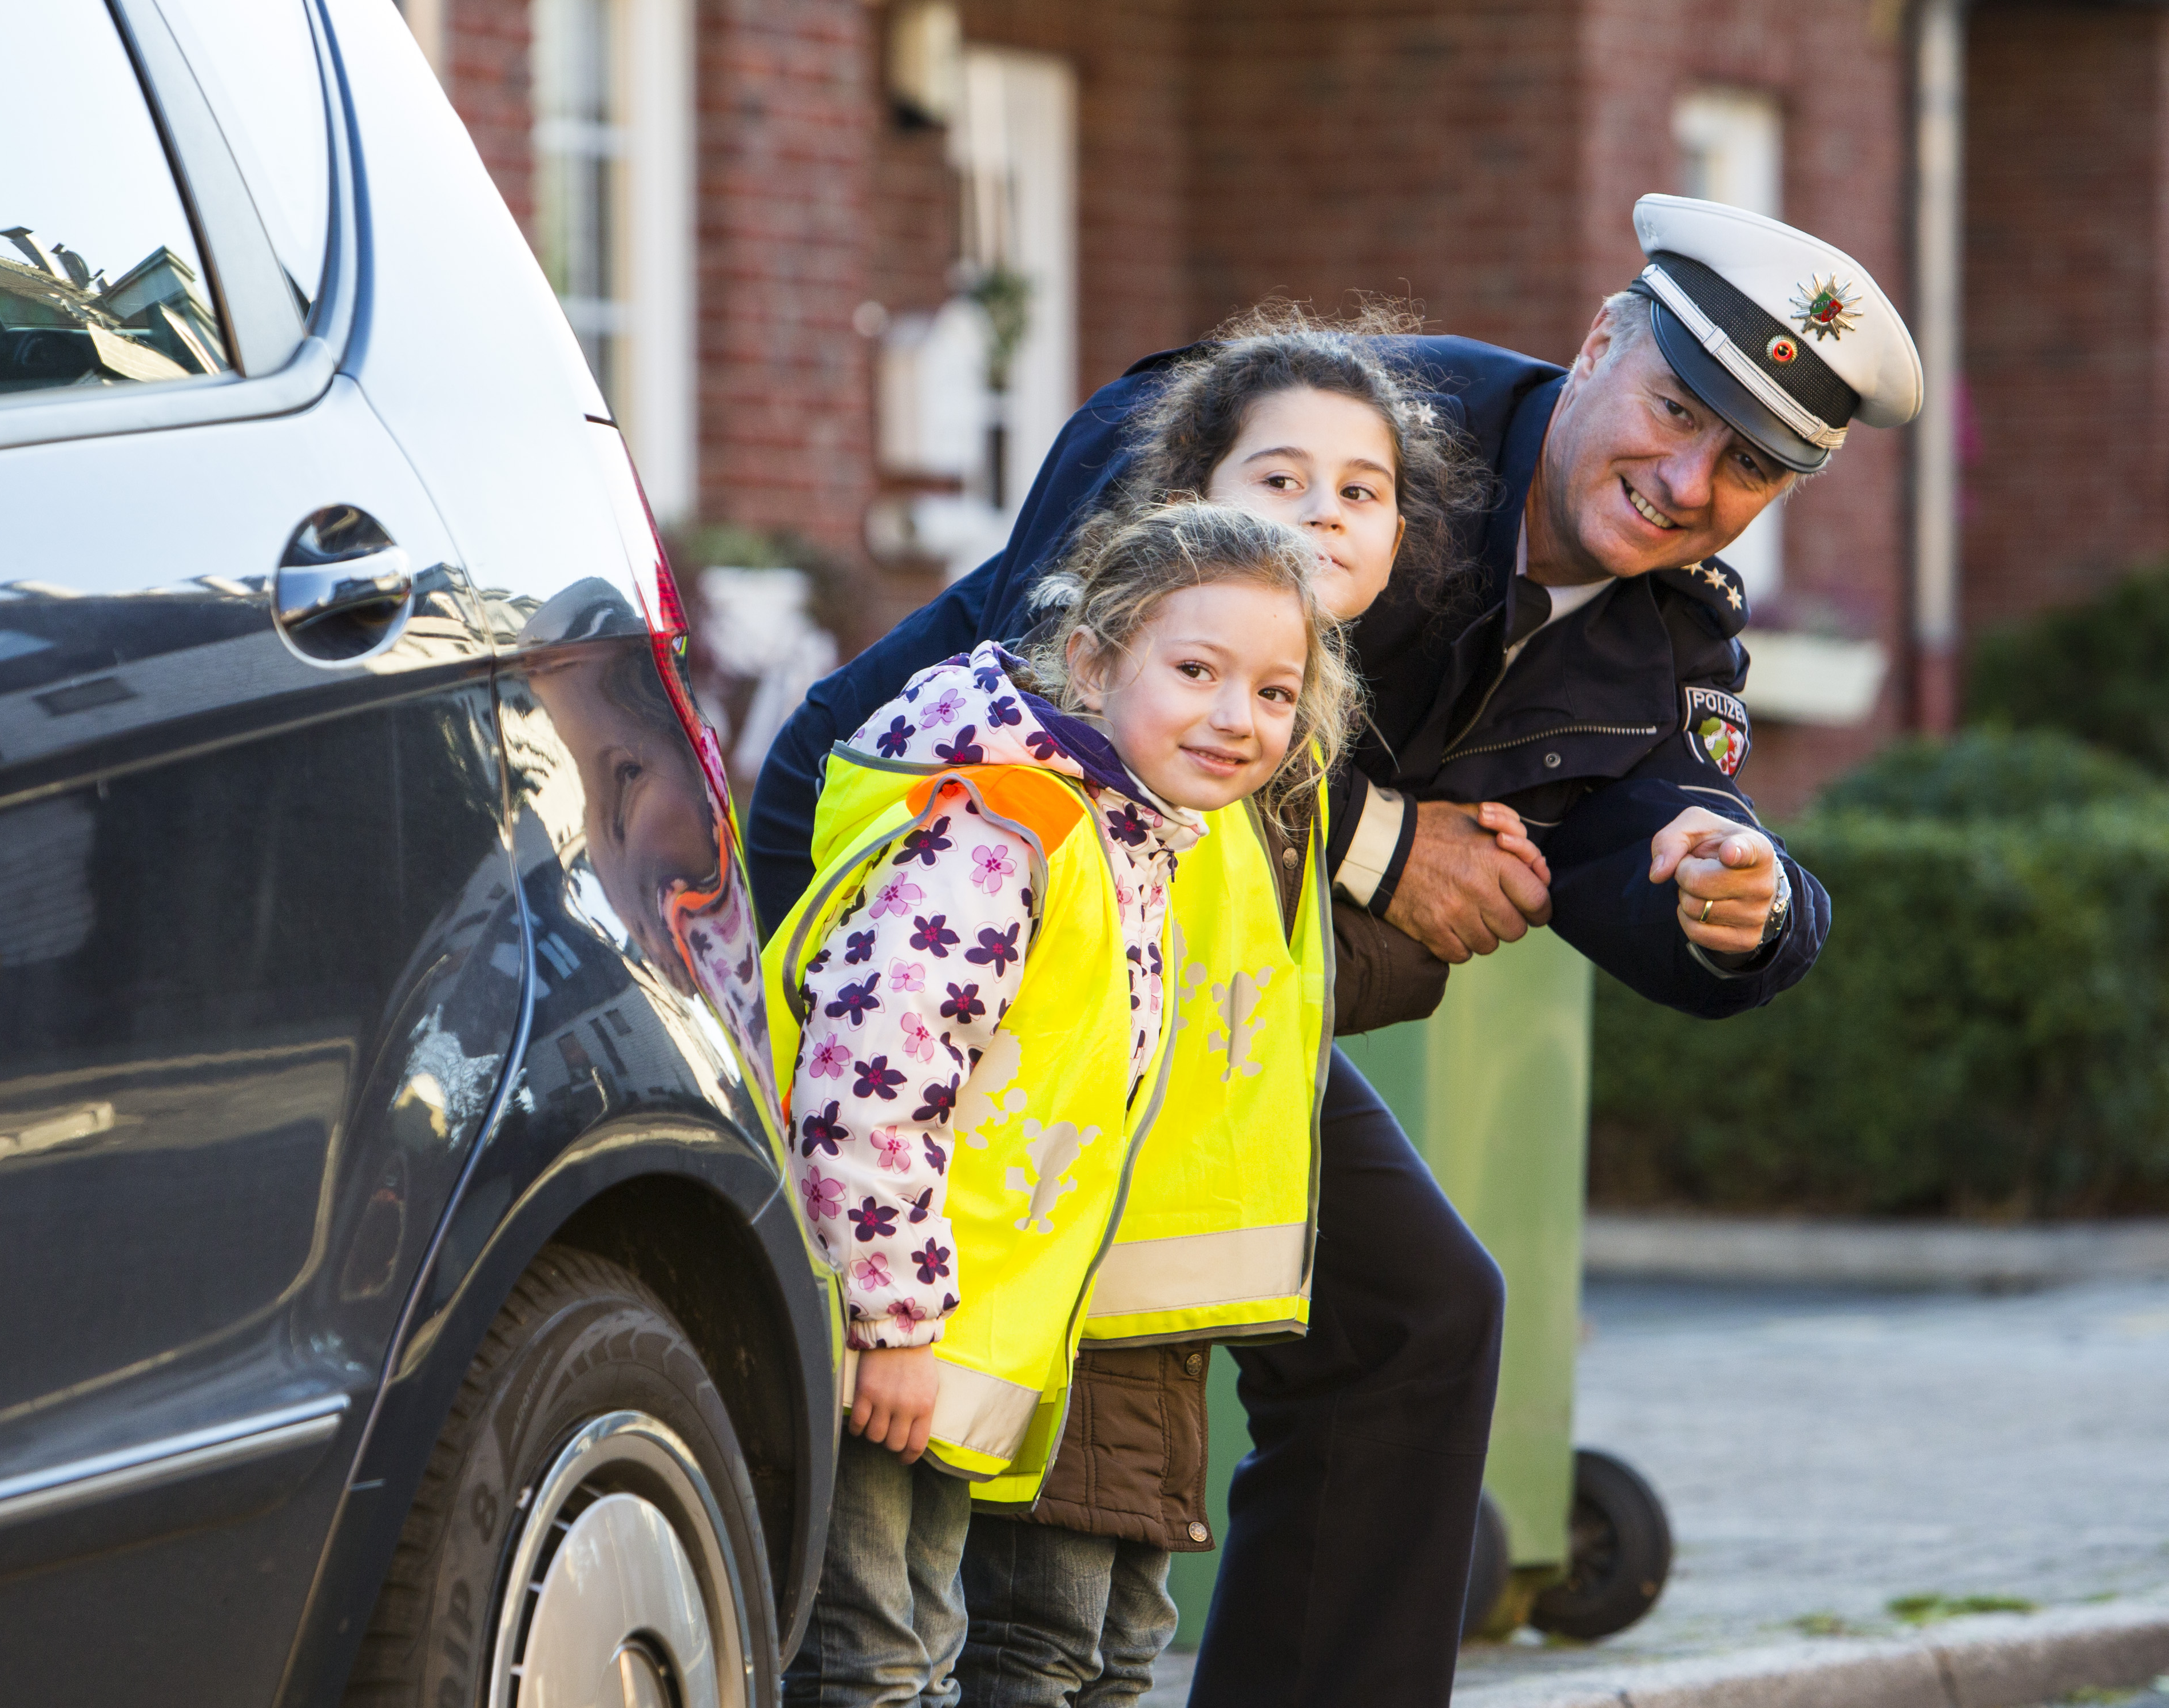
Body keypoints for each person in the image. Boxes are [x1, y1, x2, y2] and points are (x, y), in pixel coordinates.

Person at [754, 196, 1926, 1706]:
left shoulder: (1663, 631)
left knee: (1417, 1320)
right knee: (916, 1387)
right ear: (1593, 347)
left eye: (1748, 465)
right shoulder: (1308, 434)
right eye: (1675, 409)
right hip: (945, 912)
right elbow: (1097, 690)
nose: (1688, 479)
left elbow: (1648, 835)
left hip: (1193, 987)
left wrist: (1746, 899)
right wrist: (1386, 847)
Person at [951, 311, 1539, 1708]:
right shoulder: (1135, 731)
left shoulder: (1273, 730)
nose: (1324, 515)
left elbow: (1276, 984)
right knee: (1023, 1648)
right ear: (1185, 496)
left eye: (1362, 490)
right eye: (1279, 481)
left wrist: (1468, 892)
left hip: (1159, 1306)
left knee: (1104, 1650)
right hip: (1056, 1280)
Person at [770, 502, 1358, 1708]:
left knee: (913, 1647)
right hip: (882, 1328)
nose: (1235, 716)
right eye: (1195, 670)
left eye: (1272, 690)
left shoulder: (1131, 837)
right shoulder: (1004, 836)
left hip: (942, 1340)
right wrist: (891, 1324)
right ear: (1091, 659)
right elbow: (869, 1080)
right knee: (869, 1661)